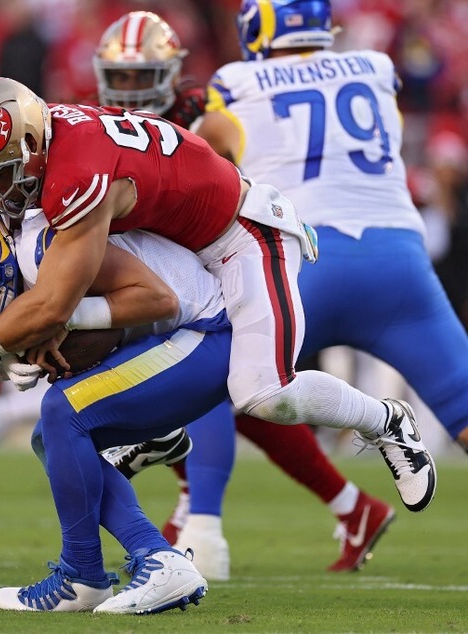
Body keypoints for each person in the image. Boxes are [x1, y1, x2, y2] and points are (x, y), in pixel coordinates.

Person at [0, 75, 436, 525]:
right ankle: (155, 430)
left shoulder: (76, 173)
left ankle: (387, 421)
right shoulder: (56, 139)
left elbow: (52, 306)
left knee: (264, 392)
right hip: (188, 245)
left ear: (28, 144)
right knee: (103, 302)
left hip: (245, 236)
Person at [93, 9, 396, 578]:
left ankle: (201, 525)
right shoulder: (97, 124)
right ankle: (353, 508)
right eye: (123, 77)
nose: (130, 90)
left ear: (172, 72)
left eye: (142, 76)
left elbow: (222, 188)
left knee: (213, 376)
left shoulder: (205, 114)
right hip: (165, 272)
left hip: (225, 266)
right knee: (244, 397)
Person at [194, 0, 468, 546]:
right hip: (399, 262)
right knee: (463, 406)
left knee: (203, 378)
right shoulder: (373, 66)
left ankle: (201, 536)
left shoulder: (237, 81)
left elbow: (205, 161)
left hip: (305, 263)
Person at [0, 193, 227, 614]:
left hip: (210, 331)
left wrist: (58, 316)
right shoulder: (27, 260)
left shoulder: (42, 245)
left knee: (63, 413)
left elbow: (159, 299)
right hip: (185, 338)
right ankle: (147, 556)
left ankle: (88, 573)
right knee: (52, 436)